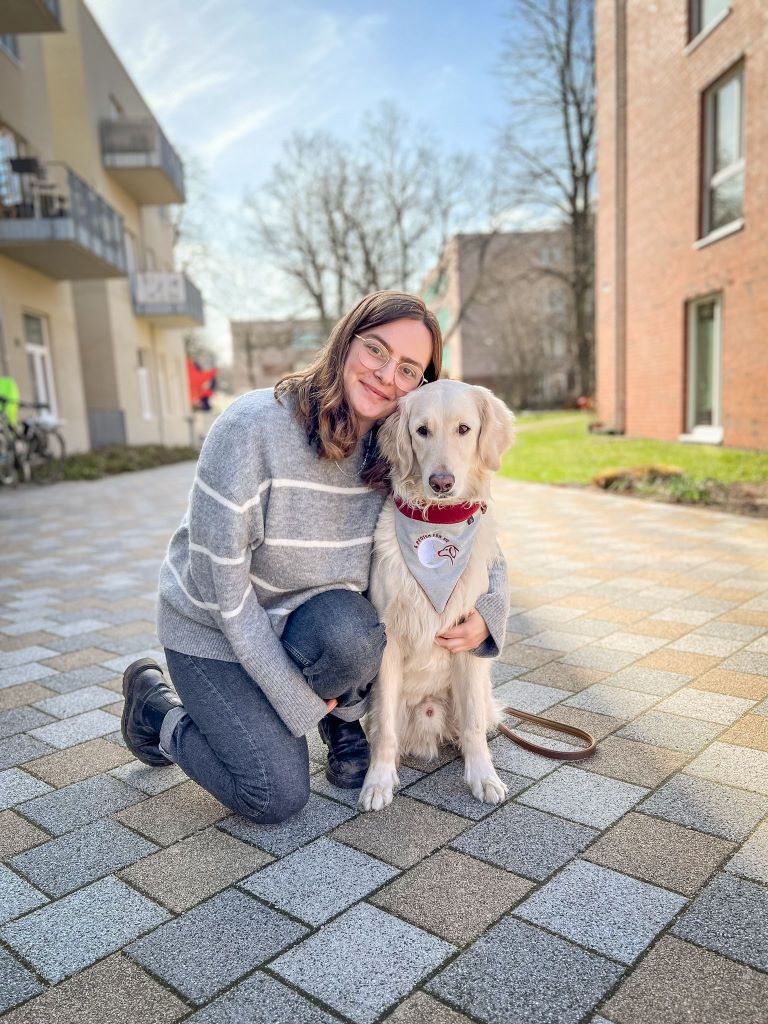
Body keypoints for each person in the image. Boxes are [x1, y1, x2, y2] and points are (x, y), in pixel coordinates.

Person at [120, 290, 509, 824]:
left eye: (407, 369)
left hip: (310, 626)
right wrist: (291, 698)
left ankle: (340, 716)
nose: (385, 375)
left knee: (356, 633)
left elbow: (470, 530)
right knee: (274, 794)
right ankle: (155, 713)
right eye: (376, 350)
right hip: (216, 632)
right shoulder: (250, 430)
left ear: (420, 386)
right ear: (346, 341)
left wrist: (490, 611)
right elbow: (223, 595)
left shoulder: (399, 447)